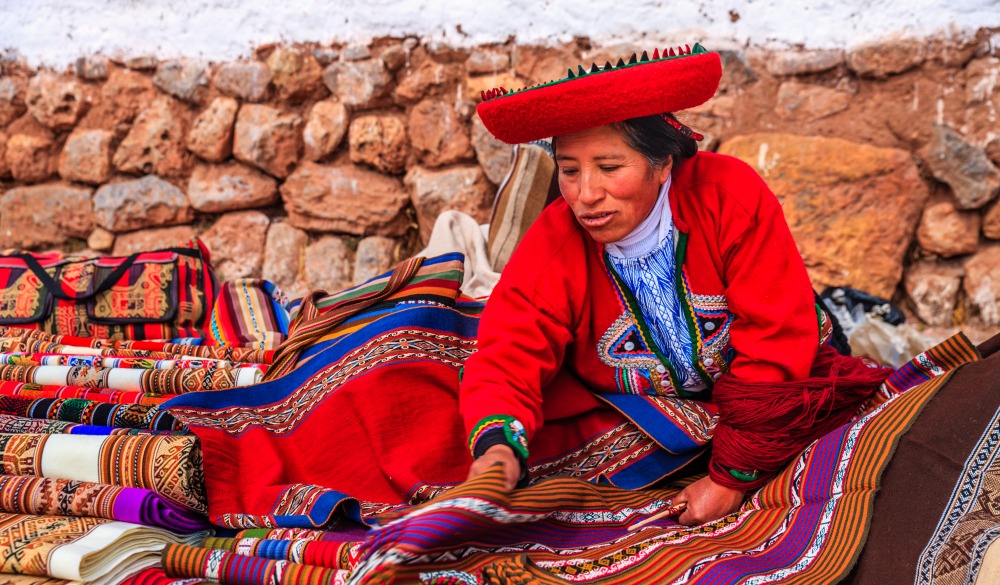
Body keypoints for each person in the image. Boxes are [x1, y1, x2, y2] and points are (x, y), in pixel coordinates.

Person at [463, 44, 888, 525]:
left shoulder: (727, 195)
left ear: (663, 164)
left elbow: (775, 338)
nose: (586, 194)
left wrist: (731, 477)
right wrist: (497, 451)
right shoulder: (555, 241)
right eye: (569, 171)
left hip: (780, 387)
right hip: (658, 414)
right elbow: (508, 352)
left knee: (862, 472)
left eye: (608, 167)